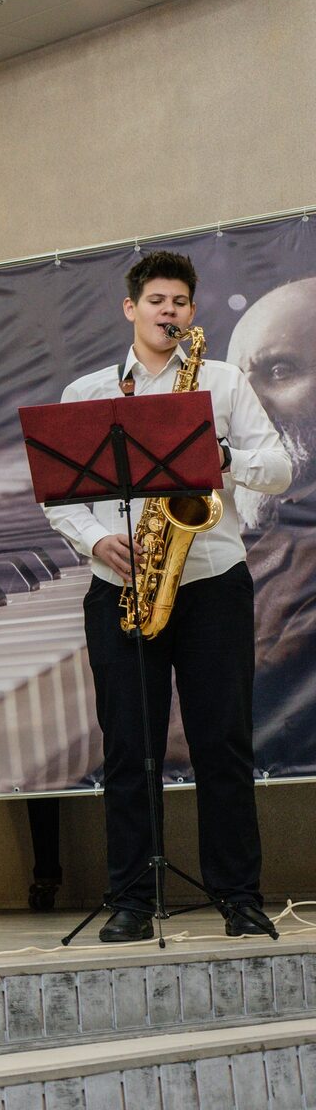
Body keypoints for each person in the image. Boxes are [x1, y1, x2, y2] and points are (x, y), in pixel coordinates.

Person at [44, 250, 289, 942]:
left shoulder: (223, 381)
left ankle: (238, 896)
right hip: (122, 584)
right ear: (132, 309)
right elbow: (59, 494)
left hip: (213, 582)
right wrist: (97, 540)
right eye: (156, 300)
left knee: (224, 744)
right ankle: (130, 899)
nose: (169, 311)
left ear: (192, 311)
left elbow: (278, 467)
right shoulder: (88, 393)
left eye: (179, 301)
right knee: (128, 748)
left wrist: (225, 458)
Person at [232, 278, 316, 770]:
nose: (245, 407)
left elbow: (251, 724)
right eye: (235, 385)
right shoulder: (270, 523)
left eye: (279, 371)